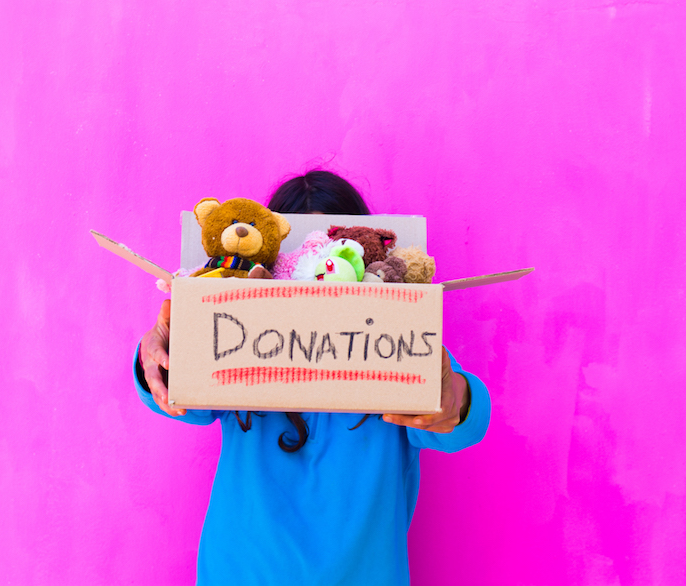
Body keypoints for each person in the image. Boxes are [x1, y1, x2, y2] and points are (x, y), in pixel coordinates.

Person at [135, 170, 491, 585]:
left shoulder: (395, 354)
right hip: (241, 570)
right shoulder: (237, 344)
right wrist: (160, 352)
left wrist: (457, 397)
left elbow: (460, 422)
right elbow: (181, 401)